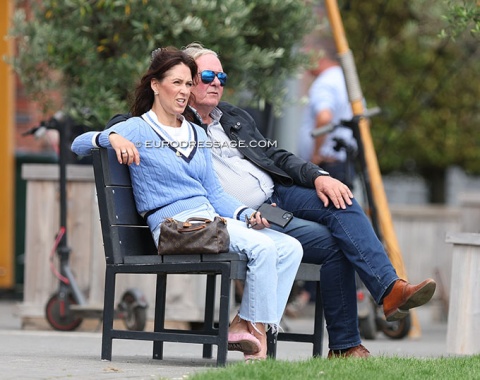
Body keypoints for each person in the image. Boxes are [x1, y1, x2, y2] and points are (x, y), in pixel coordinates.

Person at [104, 43, 436, 359]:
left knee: (342, 201)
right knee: (335, 245)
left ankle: (390, 291)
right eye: (205, 77)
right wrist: (116, 135)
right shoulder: (175, 121)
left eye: (222, 77)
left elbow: (275, 154)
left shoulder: (232, 116)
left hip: (278, 194)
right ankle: (344, 344)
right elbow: (125, 123)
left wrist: (319, 175)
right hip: (245, 214)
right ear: (185, 83)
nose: (216, 83)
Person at [71, 47, 303, 362]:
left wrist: (248, 214)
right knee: (263, 249)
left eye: (187, 84)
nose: (184, 91)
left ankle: (247, 326)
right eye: (176, 83)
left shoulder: (196, 133)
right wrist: (111, 138)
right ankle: (252, 346)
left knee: (290, 248)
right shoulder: (139, 128)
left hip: (208, 222)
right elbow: (78, 143)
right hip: (175, 228)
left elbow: (214, 194)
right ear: (155, 84)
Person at [298, 56, 358, 189]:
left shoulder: (325, 82)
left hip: (327, 166)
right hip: (344, 164)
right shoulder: (346, 80)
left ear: (320, 56)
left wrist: (316, 155)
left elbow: (324, 118)